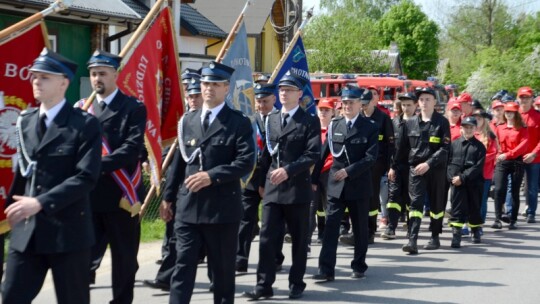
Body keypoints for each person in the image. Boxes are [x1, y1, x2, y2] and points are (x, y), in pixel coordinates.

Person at [2, 48, 102, 304]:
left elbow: (86, 177)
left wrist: (40, 203)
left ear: (63, 82)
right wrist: (10, 209)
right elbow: (24, 172)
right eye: (34, 76)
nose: (36, 81)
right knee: (11, 297)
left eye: (44, 77)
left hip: (68, 231)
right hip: (27, 232)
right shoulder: (25, 120)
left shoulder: (84, 124)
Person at [162, 61, 255, 304]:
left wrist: (212, 176)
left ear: (226, 88)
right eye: (205, 83)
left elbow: (245, 162)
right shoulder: (187, 121)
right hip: (189, 209)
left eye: (215, 84)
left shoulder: (238, 122)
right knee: (182, 268)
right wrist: (168, 197)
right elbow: (179, 164)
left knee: (223, 273)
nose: (208, 89)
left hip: (221, 211)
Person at [244, 70, 321, 300]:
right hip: (272, 189)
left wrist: (288, 171)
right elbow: (266, 155)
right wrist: (260, 182)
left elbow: (312, 154)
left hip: (297, 189)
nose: (284, 93)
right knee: (267, 239)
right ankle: (263, 285)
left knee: (298, 240)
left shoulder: (309, 120)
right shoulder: (272, 119)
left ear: (299, 94)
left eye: (289, 90)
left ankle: (296, 282)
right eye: (281, 90)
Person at [86, 50, 147, 304]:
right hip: (89, 197)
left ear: (115, 74)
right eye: (93, 74)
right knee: (82, 259)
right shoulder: (83, 108)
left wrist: (94, 165)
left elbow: (132, 148)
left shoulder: (133, 107)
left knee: (124, 260)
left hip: (122, 196)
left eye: (102, 73)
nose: (97, 79)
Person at [311, 87, 378, 282]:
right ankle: (326, 269)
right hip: (335, 187)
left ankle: (359, 265)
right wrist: (314, 179)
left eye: (352, 102)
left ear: (360, 104)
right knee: (331, 228)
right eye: (345, 103)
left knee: (359, 229)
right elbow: (323, 154)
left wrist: (348, 171)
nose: (348, 106)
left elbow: (370, 158)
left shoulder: (370, 126)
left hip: (358, 185)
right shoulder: (335, 125)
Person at [394, 87, 451, 254]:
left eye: (428, 99)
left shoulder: (442, 122)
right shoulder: (410, 122)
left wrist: (429, 163)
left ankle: (435, 236)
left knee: (436, 203)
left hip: (436, 169)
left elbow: (445, 148)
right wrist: (394, 167)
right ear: (418, 103)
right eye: (421, 99)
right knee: (416, 204)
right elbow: (402, 149)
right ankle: (413, 240)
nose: (424, 102)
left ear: (434, 101)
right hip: (416, 169)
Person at [236, 83, 280, 272]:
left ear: (274, 100)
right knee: (245, 219)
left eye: (265, 101)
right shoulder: (248, 120)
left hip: (273, 179)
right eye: (258, 101)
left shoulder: (280, 119)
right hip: (250, 178)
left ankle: (275, 258)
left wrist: (266, 181)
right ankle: (240, 259)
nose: (261, 105)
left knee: (273, 223)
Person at [383, 92, 418, 240]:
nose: (406, 108)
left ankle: (411, 229)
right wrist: (391, 166)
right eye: (403, 105)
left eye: (409, 105)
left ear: (416, 105)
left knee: (411, 199)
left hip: (413, 167)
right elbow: (390, 147)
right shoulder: (394, 123)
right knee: (393, 198)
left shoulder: (419, 123)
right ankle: (391, 227)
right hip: (397, 166)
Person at [447, 116, 486, 248]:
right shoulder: (454, 144)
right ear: (461, 128)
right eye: (465, 127)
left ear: (475, 129)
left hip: (473, 183)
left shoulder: (480, 147)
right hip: (456, 183)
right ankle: (456, 235)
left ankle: (475, 231)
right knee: (457, 210)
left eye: (471, 127)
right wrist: (452, 178)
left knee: (474, 208)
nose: (468, 130)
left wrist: (462, 178)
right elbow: (449, 163)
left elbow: (477, 167)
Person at [492, 102, 528, 229]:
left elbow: (523, 145)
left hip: (516, 161)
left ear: (516, 113)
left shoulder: (522, 128)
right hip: (502, 160)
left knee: (514, 191)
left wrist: (508, 154)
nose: (508, 114)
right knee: (499, 189)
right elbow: (494, 142)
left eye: (511, 112)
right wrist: (496, 155)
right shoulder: (499, 126)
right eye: (507, 111)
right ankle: (497, 218)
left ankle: (513, 219)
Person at [310, 97, 336, 245]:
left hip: (329, 171)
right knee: (313, 206)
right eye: (321, 110)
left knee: (327, 205)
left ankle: (325, 233)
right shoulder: (312, 129)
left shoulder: (335, 128)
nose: (323, 113)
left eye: (327, 110)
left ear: (333, 112)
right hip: (313, 172)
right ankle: (307, 238)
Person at [517, 87, 540, 223]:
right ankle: (510, 212)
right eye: (522, 97)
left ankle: (531, 212)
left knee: (532, 187)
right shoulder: (513, 115)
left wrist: (534, 153)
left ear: (532, 99)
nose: (524, 100)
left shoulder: (538, 116)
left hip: (534, 157)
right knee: (512, 186)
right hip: (516, 156)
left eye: (527, 97)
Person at [472, 109, 497, 229]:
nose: (477, 121)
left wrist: (479, 159)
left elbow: (493, 153)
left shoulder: (489, 135)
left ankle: (479, 224)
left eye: (479, 118)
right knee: (471, 199)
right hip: (471, 172)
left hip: (485, 173)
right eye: (475, 118)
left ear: (484, 120)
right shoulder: (469, 132)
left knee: (482, 200)